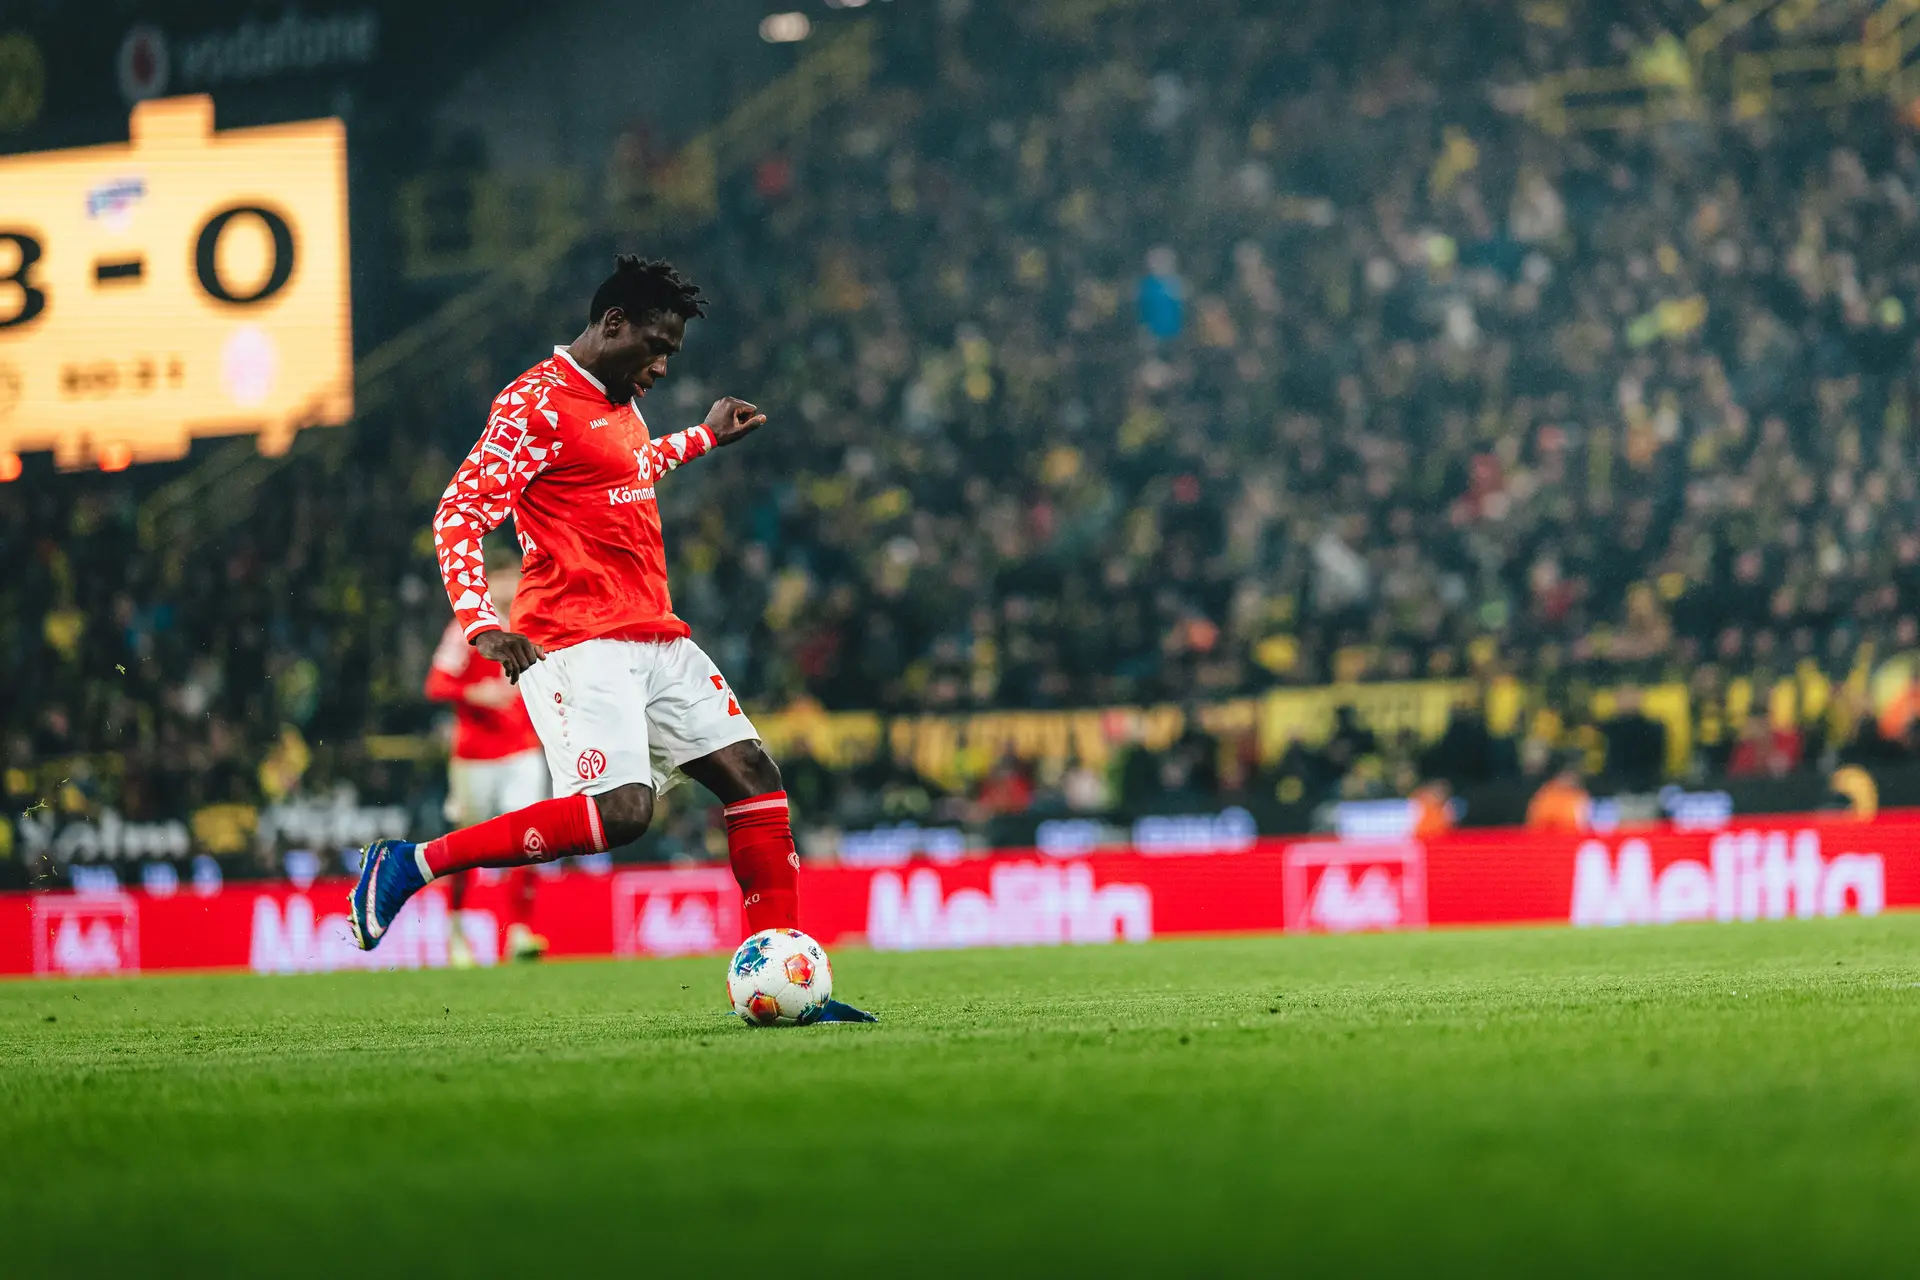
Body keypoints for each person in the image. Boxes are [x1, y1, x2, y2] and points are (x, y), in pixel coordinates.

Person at [347, 255, 874, 1021]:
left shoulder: (620, 402)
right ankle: (412, 863)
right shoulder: (533, 404)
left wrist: (701, 438)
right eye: (655, 348)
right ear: (613, 324)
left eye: (671, 355)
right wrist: (481, 623)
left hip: (653, 630)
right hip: (575, 640)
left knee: (754, 778)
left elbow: (625, 470)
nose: (661, 367)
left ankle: (788, 978)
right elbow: (460, 510)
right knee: (622, 813)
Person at [422, 547, 548, 967]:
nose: (510, 587)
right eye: (502, 579)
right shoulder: (467, 630)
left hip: (523, 750)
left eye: (516, 577)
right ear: (487, 584)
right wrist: (475, 693)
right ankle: (456, 931)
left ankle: (520, 931)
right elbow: (435, 684)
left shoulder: (535, 623)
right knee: (468, 844)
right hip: (475, 756)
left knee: (531, 835)